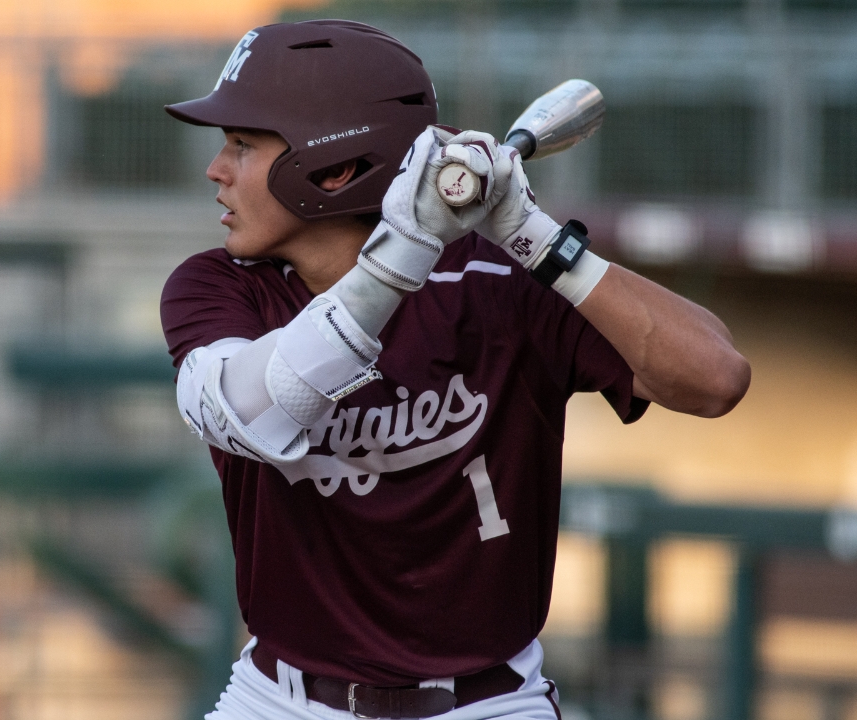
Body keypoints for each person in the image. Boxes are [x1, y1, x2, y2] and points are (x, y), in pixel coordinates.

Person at [159, 19, 750, 720]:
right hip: (279, 700)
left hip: (488, 705)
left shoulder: (499, 281)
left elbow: (716, 379)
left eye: (243, 145)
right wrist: (404, 250)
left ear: (335, 167)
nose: (215, 170)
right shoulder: (218, 288)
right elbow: (254, 411)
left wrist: (531, 233)